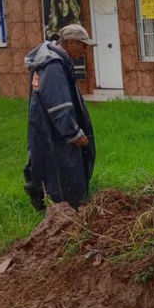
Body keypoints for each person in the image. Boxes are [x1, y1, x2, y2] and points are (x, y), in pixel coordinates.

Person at [23, 24, 96, 210]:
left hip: (48, 129)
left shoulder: (51, 60)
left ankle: (55, 204)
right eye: (83, 44)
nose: (85, 50)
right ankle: (69, 210)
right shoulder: (53, 65)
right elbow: (58, 104)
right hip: (56, 132)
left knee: (51, 166)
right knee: (64, 168)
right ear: (70, 42)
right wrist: (73, 132)